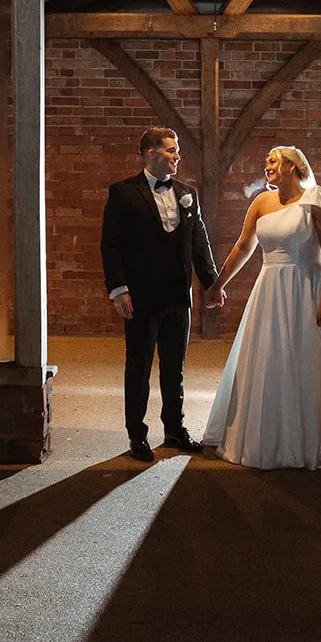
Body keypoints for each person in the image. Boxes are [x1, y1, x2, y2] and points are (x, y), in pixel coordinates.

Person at [201, 146, 321, 470]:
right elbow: (244, 246)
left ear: (293, 166)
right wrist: (219, 284)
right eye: (266, 159)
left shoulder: (318, 201)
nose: (266, 164)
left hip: (304, 290)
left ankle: (306, 438)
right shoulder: (261, 202)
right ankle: (265, 438)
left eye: (273, 160)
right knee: (268, 358)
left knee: (304, 359)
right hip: (269, 290)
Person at [101, 127, 220, 463]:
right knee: (137, 366)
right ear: (150, 153)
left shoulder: (187, 193)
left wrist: (211, 283)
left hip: (178, 296)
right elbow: (110, 245)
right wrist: (118, 289)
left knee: (175, 367)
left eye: (177, 151)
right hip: (140, 296)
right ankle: (137, 435)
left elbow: (199, 241)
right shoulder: (124, 193)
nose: (177, 157)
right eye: (170, 151)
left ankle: (175, 429)